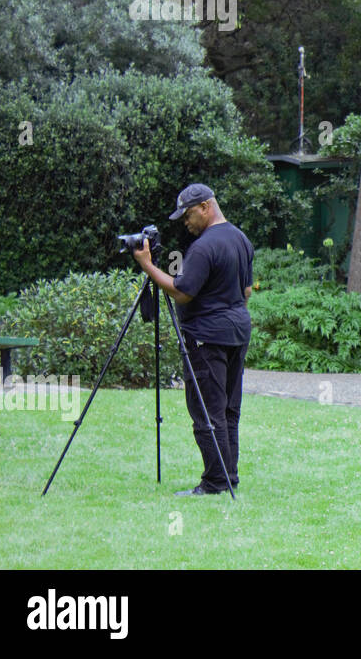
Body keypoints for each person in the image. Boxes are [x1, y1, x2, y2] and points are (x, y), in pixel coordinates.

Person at [131, 183, 253, 496]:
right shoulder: (241, 239)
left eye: (187, 215)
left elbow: (182, 292)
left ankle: (214, 483)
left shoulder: (204, 247)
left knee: (207, 412)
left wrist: (147, 265)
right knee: (228, 410)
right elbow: (247, 291)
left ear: (205, 207)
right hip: (238, 331)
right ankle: (229, 477)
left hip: (206, 338)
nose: (186, 222)